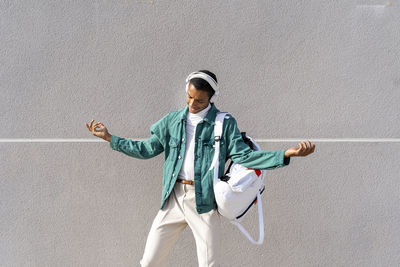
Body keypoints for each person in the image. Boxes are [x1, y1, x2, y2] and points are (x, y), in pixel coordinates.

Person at [86, 70, 315, 267]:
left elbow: (245, 156)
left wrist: (285, 154)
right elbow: (147, 148)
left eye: (200, 101)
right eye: (189, 97)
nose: (193, 105)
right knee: (149, 262)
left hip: (203, 201)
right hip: (173, 197)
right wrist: (110, 138)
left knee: (209, 265)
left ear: (212, 99)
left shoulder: (224, 124)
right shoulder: (173, 120)